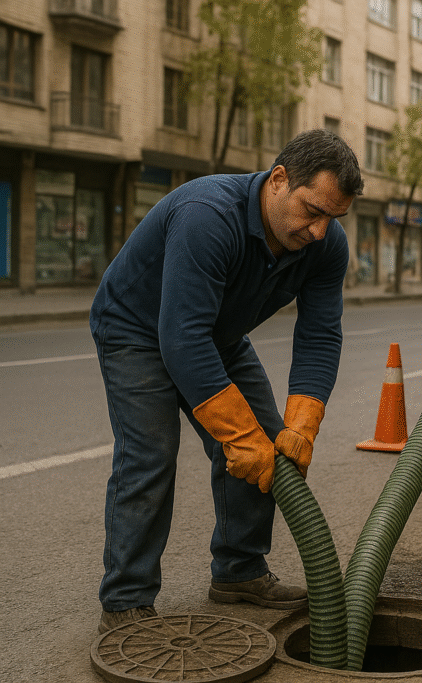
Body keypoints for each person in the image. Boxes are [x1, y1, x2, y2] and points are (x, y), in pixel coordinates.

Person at [90, 129, 363, 633]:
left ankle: (239, 571)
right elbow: (180, 339)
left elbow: (321, 336)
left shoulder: (325, 247)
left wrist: (301, 425)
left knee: (269, 444)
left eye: (333, 217)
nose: (320, 231)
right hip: (137, 329)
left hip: (215, 333)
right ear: (279, 180)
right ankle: (126, 600)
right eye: (312, 211)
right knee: (150, 455)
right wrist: (236, 436)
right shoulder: (208, 215)